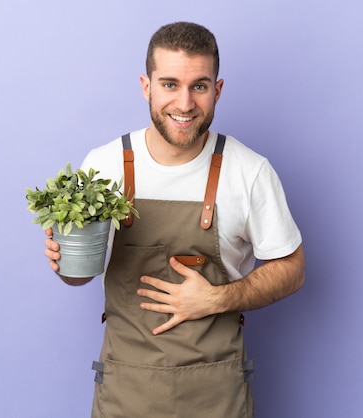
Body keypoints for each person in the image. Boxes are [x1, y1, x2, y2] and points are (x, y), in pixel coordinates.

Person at [43, 21, 305, 418]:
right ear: (146, 86)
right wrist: (66, 261)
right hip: (124, 393)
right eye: (169, 84)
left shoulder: (249, 171)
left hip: (218, 396)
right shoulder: (104, 165)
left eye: (199, 86)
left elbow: (293, 269)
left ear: (217, 90)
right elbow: (79, 275)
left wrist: (217, 298)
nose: (184, 104)